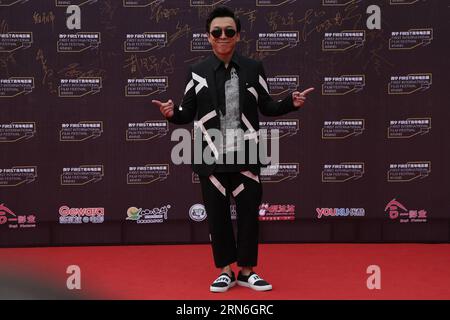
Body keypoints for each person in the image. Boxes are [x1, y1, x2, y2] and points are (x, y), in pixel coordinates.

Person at [152, 6, 314, 293]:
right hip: (209, 156)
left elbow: (267, 105)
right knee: (217, 215)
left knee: (249, 213)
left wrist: (291, 103)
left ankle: (247, 271)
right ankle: (225, 270)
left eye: (229, 31)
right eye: (217, 32)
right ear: (209, 37)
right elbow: (186, 113)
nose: (223, 36)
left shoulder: (253, 68)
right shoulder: (197, 72)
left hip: (246, 155)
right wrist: (170, 113)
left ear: (238, 35)